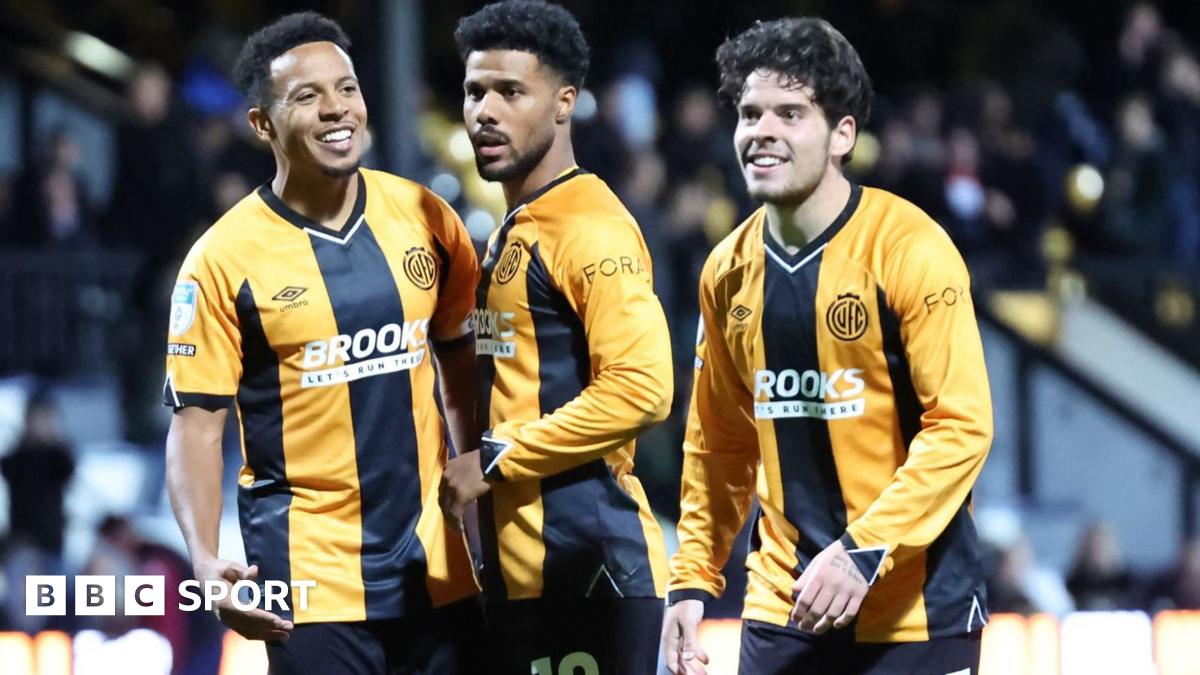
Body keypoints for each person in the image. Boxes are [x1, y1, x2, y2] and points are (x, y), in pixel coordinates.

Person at [661, 18, 994, 675]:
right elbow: (718, 442)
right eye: (750, 113)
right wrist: (693, 577)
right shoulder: (726, 272)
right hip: (784, 608)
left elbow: (961, 427)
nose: (762, 130)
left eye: (790, 113)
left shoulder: (909, 249)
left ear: (843, 133)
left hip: (916, 609)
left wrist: (862, 549)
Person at [162, 12, 482, 674]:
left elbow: (464, 361)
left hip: (438, 569)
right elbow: (196, 427)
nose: (337, 109)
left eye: (347, 88)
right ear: (262, 124)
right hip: (309, 584)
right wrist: (203, 557)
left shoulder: (426, 216)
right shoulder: (221, 259)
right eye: (307, 96)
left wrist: (482, 480)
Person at [437, 2, 674, 672]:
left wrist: (494, 457)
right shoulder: (515, 226)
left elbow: (643, 389)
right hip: (523, 575)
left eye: (512, 92)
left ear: (565, 101)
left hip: (587, 568)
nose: (485, 111)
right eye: (474, 91)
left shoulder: (589, 227)